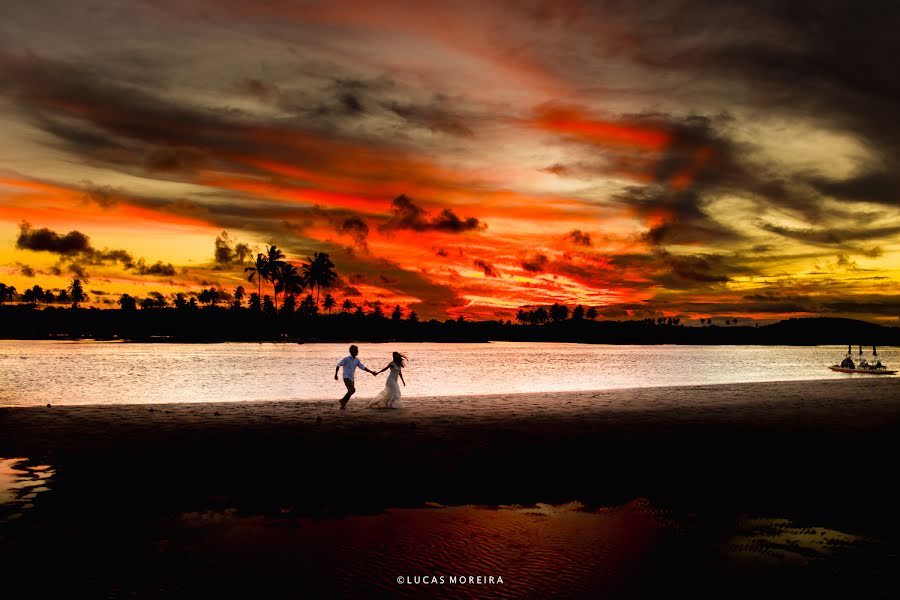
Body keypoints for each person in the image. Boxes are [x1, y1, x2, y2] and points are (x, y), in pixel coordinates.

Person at [335, 345, 377, 409]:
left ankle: (343, 403)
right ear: (352, 351)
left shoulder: (357, 360)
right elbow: (338, 365)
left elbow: (363, 367)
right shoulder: (346, 359)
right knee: (352, 390)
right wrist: (336, 374)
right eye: (356, 351)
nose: (358, 352)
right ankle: (342, 401)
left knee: (351, 391)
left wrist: (371, 372)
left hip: (352, 378)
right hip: (346, 377)